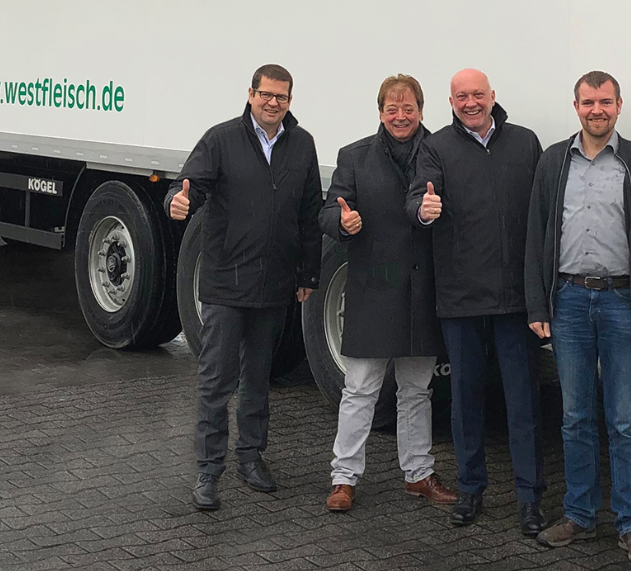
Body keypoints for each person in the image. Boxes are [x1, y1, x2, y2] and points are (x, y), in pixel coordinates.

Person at [526, 70, 631, 566]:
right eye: (588, 102)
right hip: (568, 300)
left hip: (620, 302)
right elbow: (535, 236)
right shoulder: (554, 161)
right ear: (576, 106)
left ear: (618, 106)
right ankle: (579, 514)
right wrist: (537, 305)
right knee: (574, 416)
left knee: (625, 419)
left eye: (605, 102)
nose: (597, 110)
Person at [167, 64, 321, 512]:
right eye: (266, 94)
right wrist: (177, 200)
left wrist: (308, 274)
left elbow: (310, 212)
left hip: (273, 284)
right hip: (226, 283)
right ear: (251, 94)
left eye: (281, 96)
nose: (273, 103)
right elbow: (189, 186)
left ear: (290, 101)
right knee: (216, 381)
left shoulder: (302, 144)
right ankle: (208, 471)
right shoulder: (221, 139)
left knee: (258, 378)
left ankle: (251, 457)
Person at [406, 68, 547, 535]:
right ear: (451, 102)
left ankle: (530, 497)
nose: (471, 102)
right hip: (461, 296)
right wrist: (423, 209)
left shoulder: (525, 143)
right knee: (465, 400)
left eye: (478, 94)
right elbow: (416, 198)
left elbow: (543, 213)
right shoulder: (436, 147)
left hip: (515, 298)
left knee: (523, 401)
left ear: (492, 96)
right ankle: (470, 489)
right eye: (462, 96)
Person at [320, 74, 459, 513]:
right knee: (360, 389)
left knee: (417, 390)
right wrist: (342, 223)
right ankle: (344, 478)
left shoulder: (441, 152)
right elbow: (328, 211)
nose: (401, 117)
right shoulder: (354, 156)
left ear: (421, 110)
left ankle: (418, 473)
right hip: (373, 289)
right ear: (380, 112)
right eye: (392, 109)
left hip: (422, 291)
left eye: (408, 108)